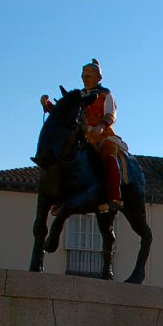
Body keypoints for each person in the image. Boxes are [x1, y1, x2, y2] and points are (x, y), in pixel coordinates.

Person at [41, 58, 127, 214]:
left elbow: (110, 115)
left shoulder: (105, 95)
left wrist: (101, 126)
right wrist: (49, 107)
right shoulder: (78, 97)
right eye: (83, 76)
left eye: (88, 76)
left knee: (109, 153)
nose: (84, 79)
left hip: (101, 135)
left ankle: (115, 196)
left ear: (98, 78)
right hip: (82, 135)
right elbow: (67, 114)